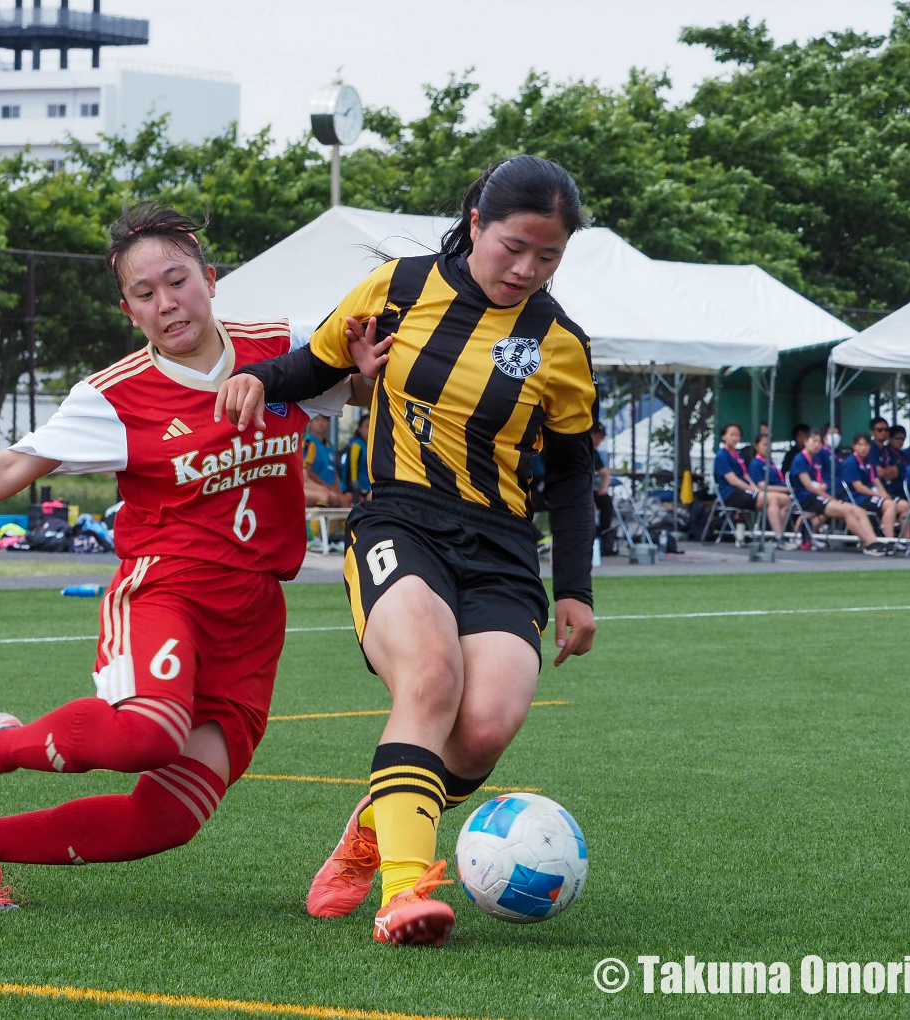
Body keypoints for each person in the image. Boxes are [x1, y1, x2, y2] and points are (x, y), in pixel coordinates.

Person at [0, 203, 371, 911]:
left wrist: (366, 372)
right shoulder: (114, 395)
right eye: (145, 295)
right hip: (167, 591)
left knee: (170, 820)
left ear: (211, 280)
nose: (166, 303)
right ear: (130, 312)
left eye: (177, 281)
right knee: (148, 733)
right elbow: (12, 467)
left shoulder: (285, 346)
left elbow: (361, 383)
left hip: (253, 617)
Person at [215, 155, 598, 946]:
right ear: (478, 224)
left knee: (486, 727)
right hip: (401, 522)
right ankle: (404, 893)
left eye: (548, 256)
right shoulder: (399, 287)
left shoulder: (559, 344)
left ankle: (370, 832)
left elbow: (570, 476)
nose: (525, 268)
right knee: (429, 676)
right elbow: (313, 363)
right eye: (513, 246)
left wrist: (575, 588)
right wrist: (257, 377)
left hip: (500, 548)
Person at [790, 430, 887, 556]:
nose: (817, 444)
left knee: (859, 510)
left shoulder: (816, 460)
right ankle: (868, 543)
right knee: (846, 511)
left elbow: (820, 482)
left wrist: (824, 490)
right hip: (807, 498)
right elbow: (809, 486)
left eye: (819, 441)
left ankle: (873, 541)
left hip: (818, 497)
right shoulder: (799, 459)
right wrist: (830, 498)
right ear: (805, 441)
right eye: (814, 441)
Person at [714, 423, 793, 547]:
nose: (735, 438)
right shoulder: (722, 455)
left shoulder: (737, 454)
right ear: (724, 436)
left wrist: (754, 488)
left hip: (746, 492)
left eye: (738, 435)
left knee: (785, 500)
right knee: (771, 498)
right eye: (732, 435)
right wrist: (753, 490)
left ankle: (778, 535)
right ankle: (778, 538)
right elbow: (733, 480)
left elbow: (745, 475)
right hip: (730, 493)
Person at [840, 432, 910, 542]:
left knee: (904, 505)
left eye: (866, 445)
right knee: (890, 505)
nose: (863, 448)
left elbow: (876, 481)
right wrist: (878, 495)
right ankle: (889, 540)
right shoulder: (851, 462)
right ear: (854, 446)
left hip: (873, 495)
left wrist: (885, 495)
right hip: (859, 498)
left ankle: (907, 540)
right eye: (860, 445)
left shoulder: (869, 462)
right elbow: (858, 487)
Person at [746, 432, 798, 548]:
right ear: (756, 446)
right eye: (764, 444)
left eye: (769, 445)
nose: (767, 448)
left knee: (786, 503)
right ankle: (779, 536)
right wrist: (785, 489)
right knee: (778, 500)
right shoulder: (756, 464)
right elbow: (762, 486)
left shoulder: (770, 462)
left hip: (783, 493)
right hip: (769, 494)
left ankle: (781, 534)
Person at [302, 414, 351, 507]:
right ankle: (317, 521)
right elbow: (307, 472)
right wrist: (327, 487)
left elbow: (334, 472)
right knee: (329, 497)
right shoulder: (309, 443)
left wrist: (338, 489)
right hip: (317, 487)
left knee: (347, 498)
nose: (321, 423)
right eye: (317, 420)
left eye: (324, 420)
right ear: (310, 422)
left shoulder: (330, 446)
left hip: (329, 487)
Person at [591, 424, 616, 553]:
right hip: (577, 491)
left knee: (606, 500)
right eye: (597, 437)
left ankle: (604, 531)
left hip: (590, 490)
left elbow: (605, 473)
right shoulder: (582, 451)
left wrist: (603, 488)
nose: (598, 441)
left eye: (600, 438)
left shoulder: (594, 453)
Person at [868, 417, 905, 500]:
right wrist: (888, 472)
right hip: (878, 490)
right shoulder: (870, 448)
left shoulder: (888, 449)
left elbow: (896, 471)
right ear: (872, 432)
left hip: (894, 489)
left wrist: (886, 472)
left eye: (886, 430)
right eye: (880, 430)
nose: (883, 432)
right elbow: (878, 473)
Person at [341, 413, 372, 502]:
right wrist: (353, 490)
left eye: (372, 425)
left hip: (369, 487)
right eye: (367, 426)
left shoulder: (374, 446)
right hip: (358, 489)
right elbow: (351, 469)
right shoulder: (357, 446)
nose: (370, 429)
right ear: (360, 429)